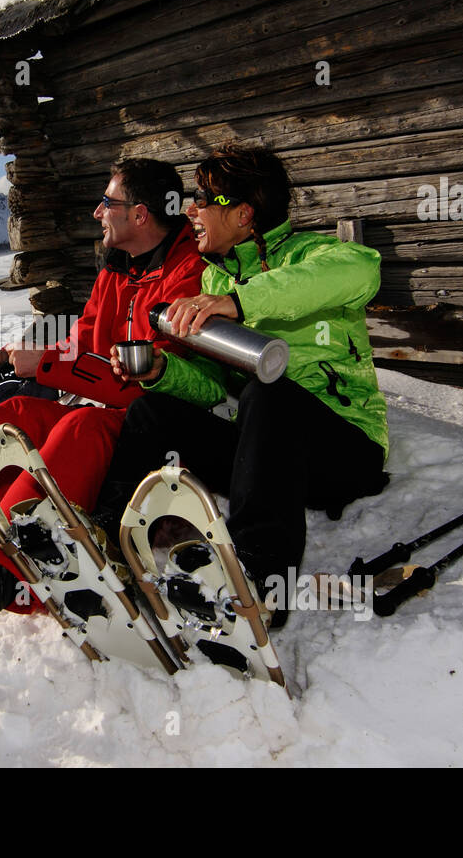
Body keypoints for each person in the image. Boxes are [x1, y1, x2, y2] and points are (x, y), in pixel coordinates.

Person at [91, 143, 389, 616]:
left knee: (268, 395)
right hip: (270, 457)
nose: (191, 209)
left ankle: (258, 579)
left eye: (204, 198)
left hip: (345, 451)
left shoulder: (312, 253)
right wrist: (162, 371)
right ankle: (106, 543)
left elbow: (360, 270)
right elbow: (211, 386)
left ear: (244, 214)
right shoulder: (214, 282)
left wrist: (241, 300)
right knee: (151, 411)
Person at [0, 158, 206, 614]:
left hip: (159, 425)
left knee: (80, 427)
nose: (97, 213)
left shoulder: (188, 274)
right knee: (18, 413)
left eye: (106, 203)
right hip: (111, 408)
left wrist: (47, 364)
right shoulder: (121, 267)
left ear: (139, 214)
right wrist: (14, 356)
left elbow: (147, 383)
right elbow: (84, 342)